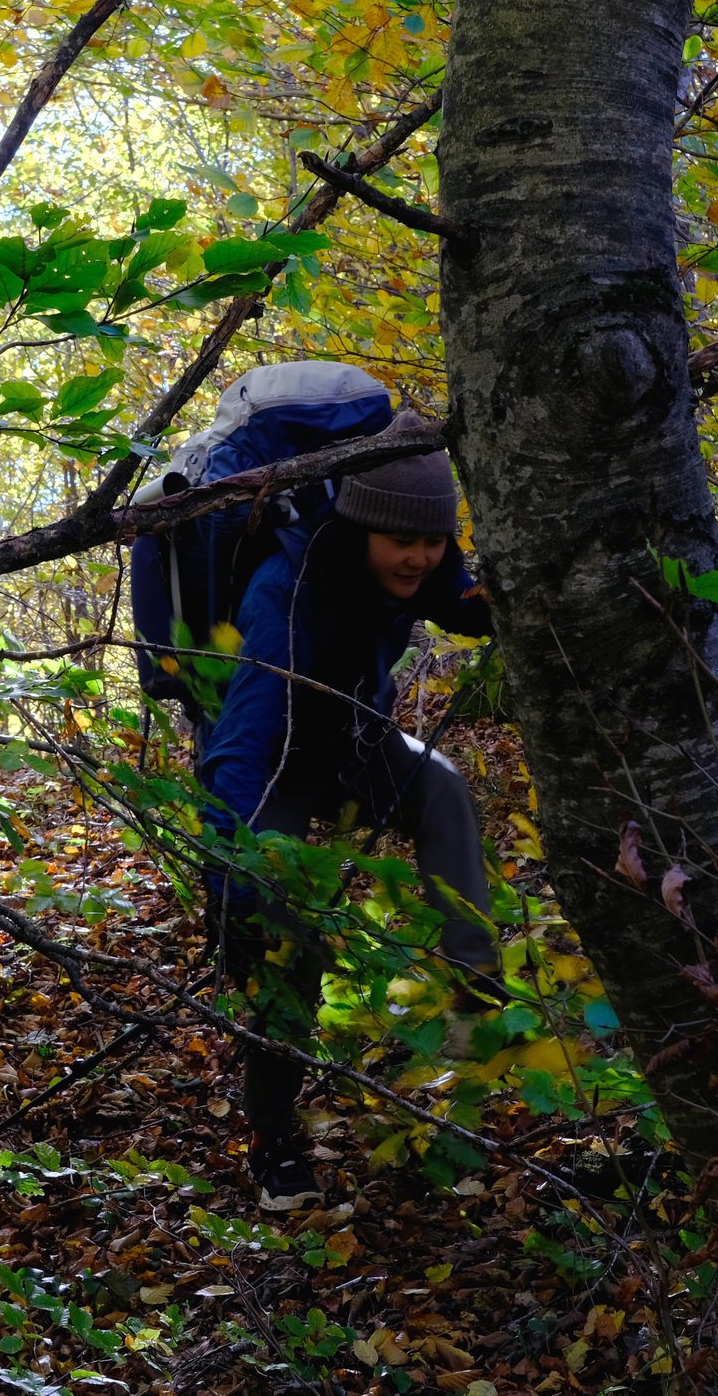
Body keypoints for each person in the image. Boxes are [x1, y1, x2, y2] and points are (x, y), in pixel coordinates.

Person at [196, 414, 500, 1211]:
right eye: (403, 541)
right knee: (284, 927)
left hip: (359, 740)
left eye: (433, 541)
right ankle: (273, 1137)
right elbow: (240, 749)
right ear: (361, 523)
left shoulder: (423, 554)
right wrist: (234, 874)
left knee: (444, 792)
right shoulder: (288, 591)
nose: (420, 557)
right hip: (279, 766)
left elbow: (460, 601)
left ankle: (477, 1019)